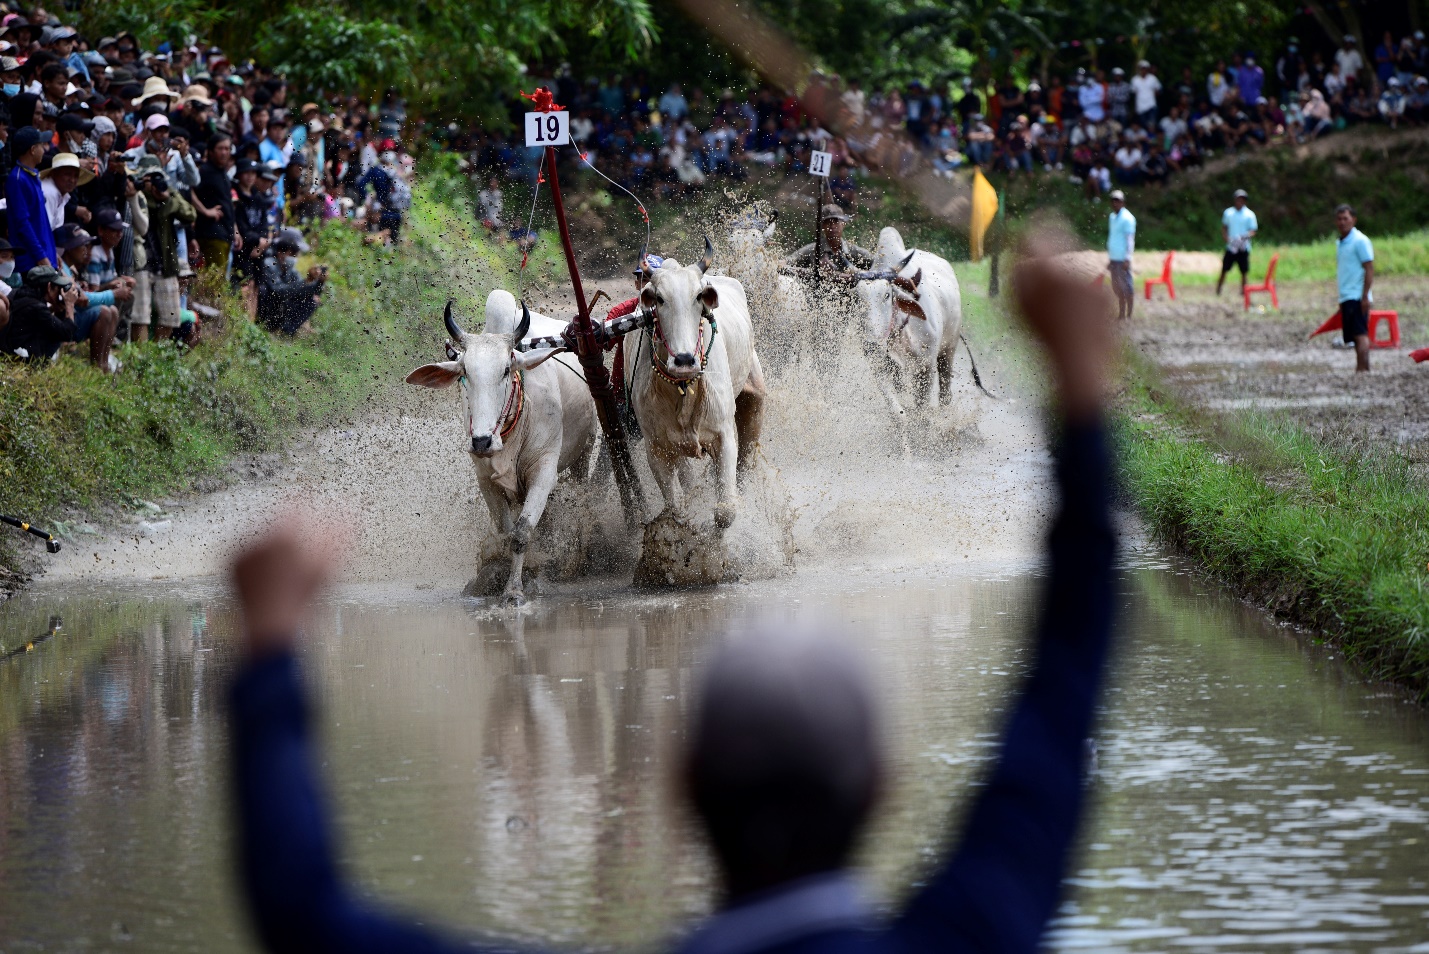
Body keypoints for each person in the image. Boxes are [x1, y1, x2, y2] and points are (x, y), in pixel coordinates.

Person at [227, 221, 1118, 954]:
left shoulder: (716, 318)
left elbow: (303, 913)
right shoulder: (961, 935)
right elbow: (1059, 710)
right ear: (881, 786)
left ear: (680, 785)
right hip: (631, 391)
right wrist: (1082, 398)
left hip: (710, 389)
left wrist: (268, 645)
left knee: (725, 438)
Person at [132, 158, 195, 342]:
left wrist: (166, 198)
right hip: (140, 263)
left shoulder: (167, 194)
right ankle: (141, 359)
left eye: (157, 177)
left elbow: (190, 214)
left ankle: (157, 356)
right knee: (140, 316)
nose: (154, 183)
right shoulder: (135, 194)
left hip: (165, 263)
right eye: (149, 178)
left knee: (171, 316)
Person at [255, 226, 325, 336]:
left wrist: (316, 282)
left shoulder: (290, 269)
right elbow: (278, 291)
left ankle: (286, 332)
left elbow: (300, 288)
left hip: (281, 308)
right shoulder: (269, 263)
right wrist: (306, 282)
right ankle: (265, 326)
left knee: (312, 300)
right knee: (264, 291)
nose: (294, 258)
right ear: (281, 252)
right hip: (270, 306)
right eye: (292, 254)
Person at [779, 204, 873, 282]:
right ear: (822, 226)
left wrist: (856, 275)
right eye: (828, 223)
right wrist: (816, 271)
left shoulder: (853, 251)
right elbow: (786, 263)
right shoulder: (813, 250)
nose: (832, 226)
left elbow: (878, 265)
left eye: (836, 222)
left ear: (843, 224)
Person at [8, 126, 57, 275]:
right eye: (42, 145)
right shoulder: (17, 179)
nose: (45, 149)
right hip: (32, 262)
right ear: (33, 149)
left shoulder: (32, 175)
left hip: (44, 256)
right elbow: (23, 224)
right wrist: (41, 257)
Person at [192, 132, 239, 276]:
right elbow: (189, 191)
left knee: (219, 280)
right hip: (211, 233)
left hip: (225, 233)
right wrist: (205, 210)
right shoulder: (205, 171)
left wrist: (235, 230)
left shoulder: (222, 173)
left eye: (227, 149)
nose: (225, 152)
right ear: (211, 151)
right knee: (214, 283)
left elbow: (227, 203)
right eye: (220, 148)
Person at [1334, 204, 1374, 373]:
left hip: (1357, 296)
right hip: (1346, 296)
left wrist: (1365, 296)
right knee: (1353, 336)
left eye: (1346, 218)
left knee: (1360, 334)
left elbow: (1369, 269)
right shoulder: (1340, 242)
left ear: (1353, 220)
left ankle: (1363, 370)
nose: (1343, 222)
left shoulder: (1360, 241)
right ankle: (1361, 368)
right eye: (1340, 219)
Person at [1217, 189, 1259, 297]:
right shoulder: (1229, 213)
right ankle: (1218, 290)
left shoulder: (1249, 214)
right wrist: (1226, 238)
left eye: (1242, 200)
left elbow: (1253, 230)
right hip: (1231, 246)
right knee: (1224, 269)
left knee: (1244, 271)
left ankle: (1243, 292)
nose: (1239, 201)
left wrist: (1244, 236)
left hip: (1243, 247)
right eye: (1238, 199)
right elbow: (1224, 227)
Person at [1107, 189, 1136, 320]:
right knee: (1116, 286)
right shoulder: (1112, 217)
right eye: (1113, 200)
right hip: (1114, 257)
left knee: (1126, 286)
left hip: (1122, 258)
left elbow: (1130, 239)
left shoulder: (1128, 218)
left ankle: (1128, 314)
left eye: (1117, 201)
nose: (1115, 203)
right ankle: (1121, 313)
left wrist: (1127, 258)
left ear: (1122, 202)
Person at [1131, 60, 1161, 128]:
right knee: (1143, 125)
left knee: (1152, 125)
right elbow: (1134, 92)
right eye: (1142, 68)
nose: (1143, 70)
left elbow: (1158, 89)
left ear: (1147, 69)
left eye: (1145, 68)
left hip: (1151, 105)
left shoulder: (1153, 78)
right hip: (1140, 107)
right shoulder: (1135, 79)